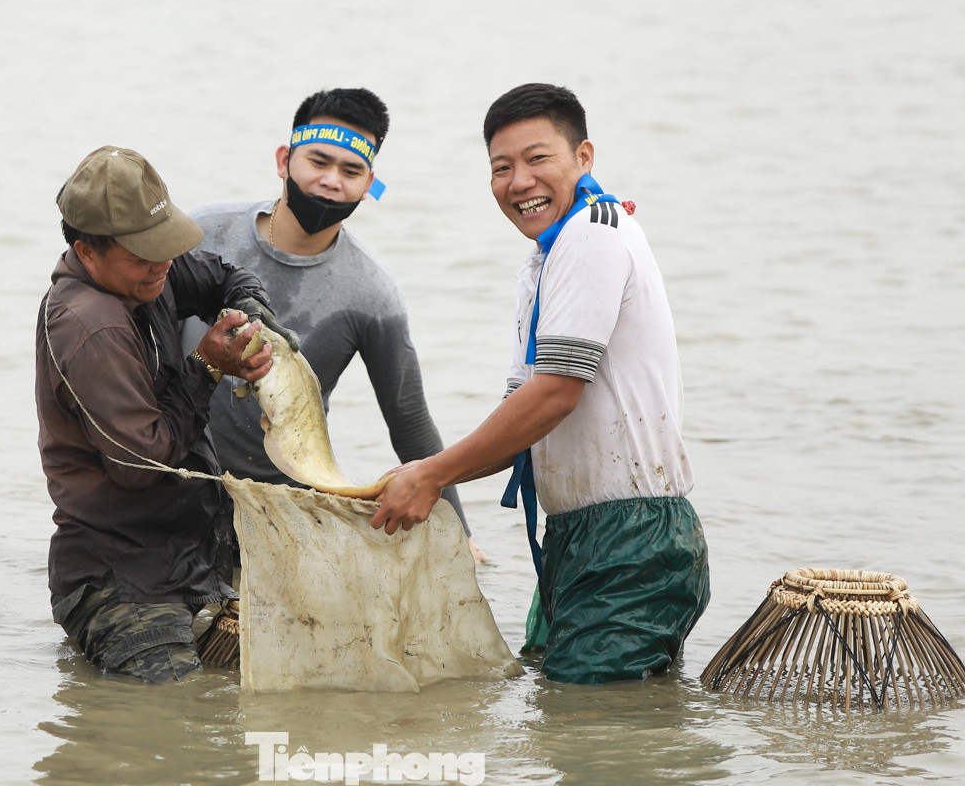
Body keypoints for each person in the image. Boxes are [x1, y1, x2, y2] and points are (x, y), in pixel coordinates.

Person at [368, 83, 709, 684]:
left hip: (631, 538)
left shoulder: (592, 234)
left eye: (537, 158)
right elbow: (520, 414)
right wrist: (417, 476)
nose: (519, 181)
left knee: (593, 732)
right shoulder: (547, 258)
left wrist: (431, 475)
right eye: (502, 168)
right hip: (578, 537)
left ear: (584, 157)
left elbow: (556, 393)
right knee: (573, 721)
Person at [181, 87, 487, 563]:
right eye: (318, 162)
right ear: (284, 160)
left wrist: (459, 535)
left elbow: (409, 423)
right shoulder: (202, 234)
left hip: (279, 504)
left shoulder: (371, 294)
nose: (330, 181)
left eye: (351, 171)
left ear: (369, 184)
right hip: (173, 474)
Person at [35, 145, 298, 683]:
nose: (161, 266)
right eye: (141, 255)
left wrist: (252, 316)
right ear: (87, 252)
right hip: (120, 579)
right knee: (173, 711)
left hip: (191, 565)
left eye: (165, 248)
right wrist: (207, 365)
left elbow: (225, 275)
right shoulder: (90, 327)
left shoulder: (150, 274)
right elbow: (141, 464)